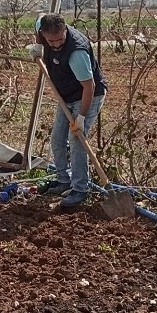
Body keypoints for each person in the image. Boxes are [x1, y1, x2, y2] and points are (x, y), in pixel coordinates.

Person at [31, 13, 107, 208]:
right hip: (66, 96)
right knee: (57, 139)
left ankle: (80, 189)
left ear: (66, 30)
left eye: (59, 40)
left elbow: (89, 87)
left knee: (77, 141)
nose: (55, 45)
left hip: (87, 96)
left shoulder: (77, 53)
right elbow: (38, 24)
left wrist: (80, 117)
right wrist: (38, 48)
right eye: (51, 41)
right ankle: (63, 180)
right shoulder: (42, 29)